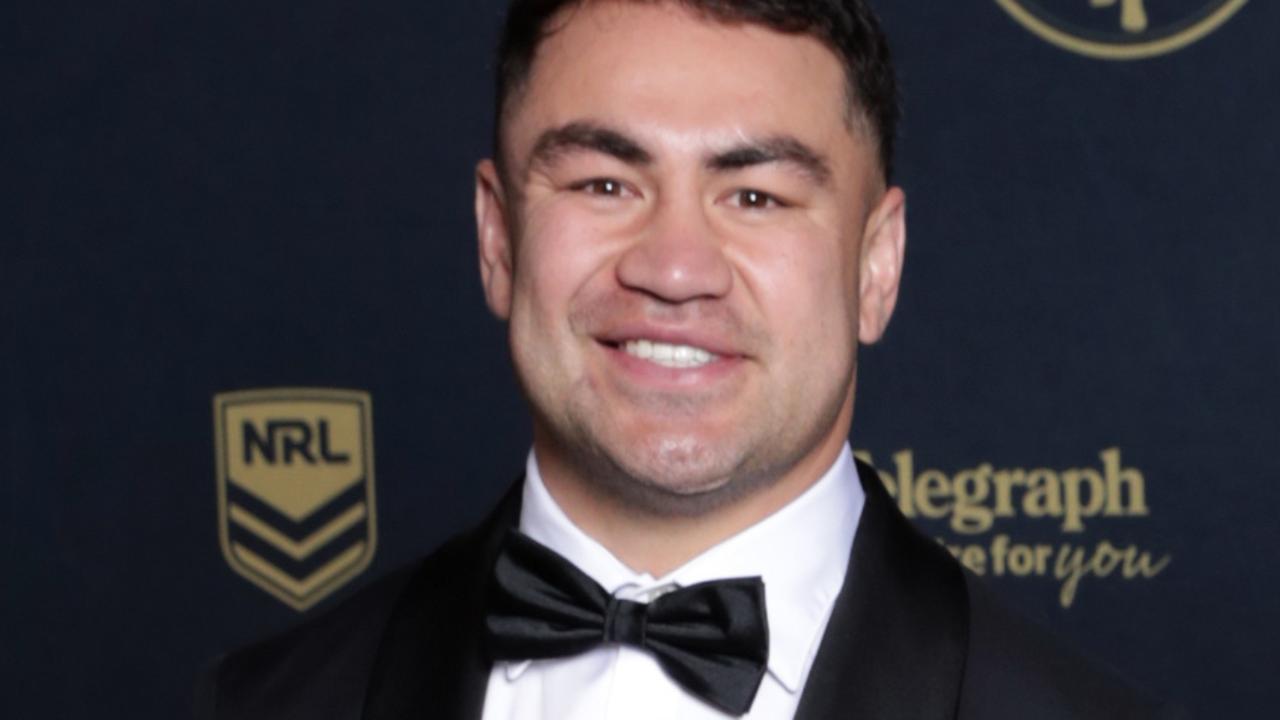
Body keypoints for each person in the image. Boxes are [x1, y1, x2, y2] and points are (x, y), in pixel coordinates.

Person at [196, 1, 1180, 718]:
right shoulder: (267, 704)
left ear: (875, 265)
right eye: (604, 182)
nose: (673, 269)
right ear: (497, 240)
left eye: (753, 196)